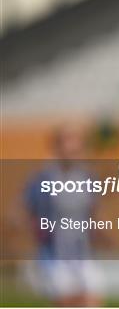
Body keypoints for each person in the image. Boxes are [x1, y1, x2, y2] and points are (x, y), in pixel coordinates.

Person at [24, 126, 103, 307]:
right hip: (55, 251)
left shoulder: (87, 177)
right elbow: (30, 208)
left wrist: (98, 232)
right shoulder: (44, 178)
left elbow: (92, 211)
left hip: (83, 250)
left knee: (92, 299)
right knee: (66, 299)